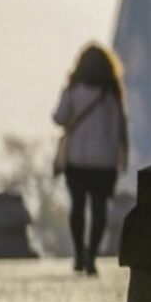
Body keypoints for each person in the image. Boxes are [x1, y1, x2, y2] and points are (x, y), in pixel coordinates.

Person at [52, 42, 129, 276]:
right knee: (99, 209)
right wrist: (122, 156)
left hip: (77, 159)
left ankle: (78, 254)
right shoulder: (111, 93)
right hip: (104, 161)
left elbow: (58, 118)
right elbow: (120, 128)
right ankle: (92, 256)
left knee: (77, 207)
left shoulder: (74, 89)